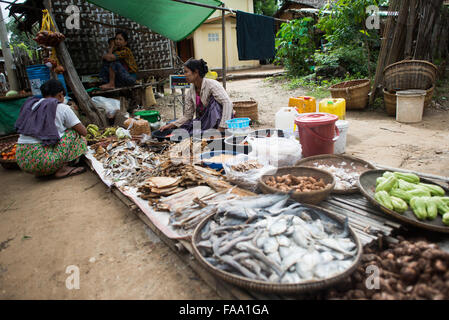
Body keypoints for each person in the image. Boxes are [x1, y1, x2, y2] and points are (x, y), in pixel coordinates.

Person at [15, 79, 88, 179]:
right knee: (74, 133)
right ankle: (62, 168)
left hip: (22, 160)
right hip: (44, 161)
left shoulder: (33, 105)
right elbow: (83, 132)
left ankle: (43, 172)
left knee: (50, 140)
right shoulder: (62, 107)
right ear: (60, 94)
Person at [159, 58, 234, 134]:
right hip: (205, 121)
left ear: (196, 72)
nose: (184, 75)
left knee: (214, 103)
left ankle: (217, 130)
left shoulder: (212, 85)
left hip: (220, 121)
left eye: (186, 72)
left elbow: (227, 103)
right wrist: (172, 124)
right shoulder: (191, 92)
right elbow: (188, 116)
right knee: (184, 130)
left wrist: (221, 128)